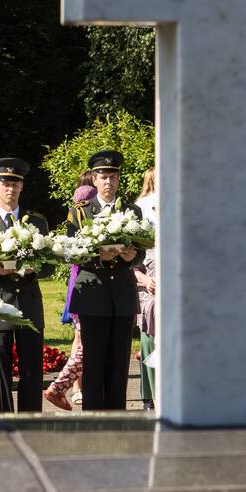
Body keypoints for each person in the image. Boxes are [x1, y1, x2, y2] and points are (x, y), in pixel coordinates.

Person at [0, 157, 52, 413]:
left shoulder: (36, 222)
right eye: (5, 183)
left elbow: (50, 263)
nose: (10, 189)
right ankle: (0, 421)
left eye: (15, 183)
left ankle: (30, 422)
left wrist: (34, 268)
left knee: (31, 370)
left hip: (28, 301)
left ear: (22, 187)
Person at [66, 150, 143, 410]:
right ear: (94, 180)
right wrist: (99, 256)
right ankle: (93, 418)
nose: (108, 182)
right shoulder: (80, 212)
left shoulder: (131, 210)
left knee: (119, 363)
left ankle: (117, 418)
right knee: (94, 360)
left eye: (113, 176)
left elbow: (140, 248)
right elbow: (72, 250)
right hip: (93, 294)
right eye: (103, 176)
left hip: (121, 294)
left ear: (119, 179)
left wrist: (131, 256)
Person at [44, 182, 97, 411]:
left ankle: (66, 386)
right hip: (85, 286)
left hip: (80, 286)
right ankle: (62, 386)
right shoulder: (83, 217)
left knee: (83, 340)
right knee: (86, 341)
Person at [134, 167, 158, 410]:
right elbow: (133, 265)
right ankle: (149, 396)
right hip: (149, 289)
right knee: (148, 342)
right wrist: (145, 280)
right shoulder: (141, 209)